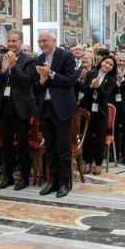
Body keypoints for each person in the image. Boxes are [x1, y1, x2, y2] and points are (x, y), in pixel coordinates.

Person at [33, 31, 77, 198]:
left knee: (62, 148)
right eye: (39, 41)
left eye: (45, 41)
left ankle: (64, 183)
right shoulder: (38, 59)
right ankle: (53, 181)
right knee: (50, 147)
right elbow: (35, 88)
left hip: (62, 108)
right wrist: (42, 80)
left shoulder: (66, 56)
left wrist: (50, 74)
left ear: (54, 41)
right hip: (45, 108)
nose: (42, 44)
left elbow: (70, 81)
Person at [0, 30, 37, 191]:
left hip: (21, 106)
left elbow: (26, 81)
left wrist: (13, 66)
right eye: (9, 41)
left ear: (21, 42)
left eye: (14, 41)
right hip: (4, 106)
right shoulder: (0, 59)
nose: (11, 44)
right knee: (6, 143)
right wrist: (3, 69)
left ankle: (24, 177)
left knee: (23, 144)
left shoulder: (29, 60)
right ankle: (8, 176)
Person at [79, 55, 117, 175]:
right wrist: (91, 86)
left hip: (101, 111)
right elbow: (82, 88)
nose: (107, 65)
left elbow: (106, 95)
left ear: (112, 68)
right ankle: (87, 161)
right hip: (88, 109)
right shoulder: (91, 73)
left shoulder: (111, 80)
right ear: (101, 62)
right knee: (87, 138)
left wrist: (98, 87)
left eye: (110, 65)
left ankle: (98, 163)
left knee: (100, 139)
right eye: (106, 62)